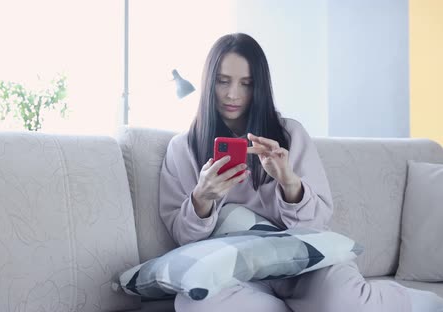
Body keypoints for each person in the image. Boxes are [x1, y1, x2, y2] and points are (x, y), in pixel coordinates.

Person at [159, 33, 443, 312]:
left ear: (259, 87)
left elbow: (317, 223)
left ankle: (424, 303)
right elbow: (184, 238)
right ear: (209, 82)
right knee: (194, 302)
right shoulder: (182, 148)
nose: (233, 94)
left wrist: (288, 180)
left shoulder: (289, 134)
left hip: (306, 265)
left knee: (344, 301)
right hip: (235, 273)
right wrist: (202, 198)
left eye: (246, 83)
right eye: (223, 82)